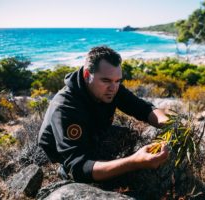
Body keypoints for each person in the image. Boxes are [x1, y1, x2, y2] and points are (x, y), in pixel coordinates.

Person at [38, 46, 169, 183]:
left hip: (94, 134)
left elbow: (143, 108)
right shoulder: (65, 107)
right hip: (68, 154)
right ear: (87, 75)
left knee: (129, 136)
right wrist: (134, 162)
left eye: (118, 81)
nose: (113, 88)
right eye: (106, 81)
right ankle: (62, 171)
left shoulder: (110, 88)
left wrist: (171, 124)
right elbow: (78, 166)